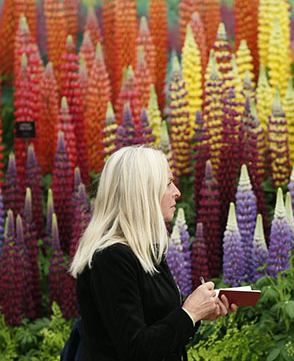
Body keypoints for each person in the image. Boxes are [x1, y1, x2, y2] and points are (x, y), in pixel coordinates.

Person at [70, 145, 235, 360]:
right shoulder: (110, 257)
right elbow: (136, 350)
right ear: (142, 192)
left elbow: (160, 331)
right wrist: (189, 313)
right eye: (168, 183)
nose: (177, 192)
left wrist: (199, 314)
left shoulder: (144, 250)